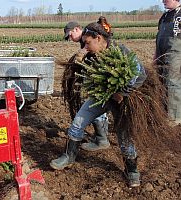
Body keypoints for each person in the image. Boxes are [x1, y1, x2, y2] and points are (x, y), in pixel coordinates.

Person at [50, 19, 147, 187]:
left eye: (87, 43)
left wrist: (121, 92)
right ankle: (68, 156)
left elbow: (140, 74)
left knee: (124, 138)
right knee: (78, 122)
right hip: (101, 97)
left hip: (121, 101)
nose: (85, 46)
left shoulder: (120, 51)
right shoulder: (92, 53)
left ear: (99, 39)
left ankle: (132, 171)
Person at [63, 18, 111, 152]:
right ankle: (100, 137)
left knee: (95, 104)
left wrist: (79, 57)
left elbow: (84, 58)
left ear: (77, 29)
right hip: (95, 78)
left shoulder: (88, 40)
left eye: (71, 35)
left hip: (100, 80)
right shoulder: (86, 41)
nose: (70, 38)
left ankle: (102, 139)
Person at [154, 0, 181, 124]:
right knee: (161, 83)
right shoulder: (164, 16)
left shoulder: (180, 16)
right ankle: (164, 114)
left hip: (175, 53)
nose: (163, 1)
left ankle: (175, 118)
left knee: (173, 83)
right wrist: (155, 56)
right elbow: (159, 36)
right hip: (161, 53)